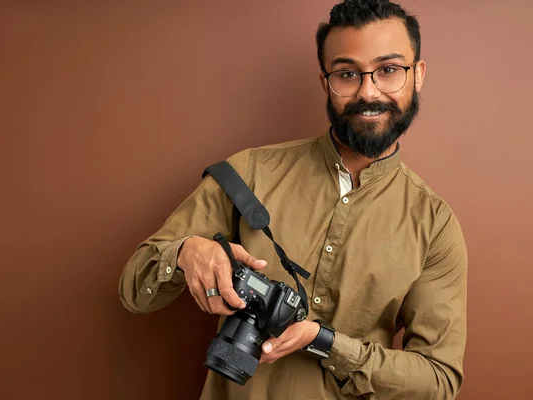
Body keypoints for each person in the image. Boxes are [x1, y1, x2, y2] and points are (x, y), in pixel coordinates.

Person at [118, 0, 468, 399]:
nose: (368, 91)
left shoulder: (435, 224)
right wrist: (184, 252)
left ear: (417, 75)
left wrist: (327, 342)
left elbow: (439, 381)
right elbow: (134, 291)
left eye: (388, 70)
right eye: (347, 73)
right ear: (326, 83)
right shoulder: (246, 173)